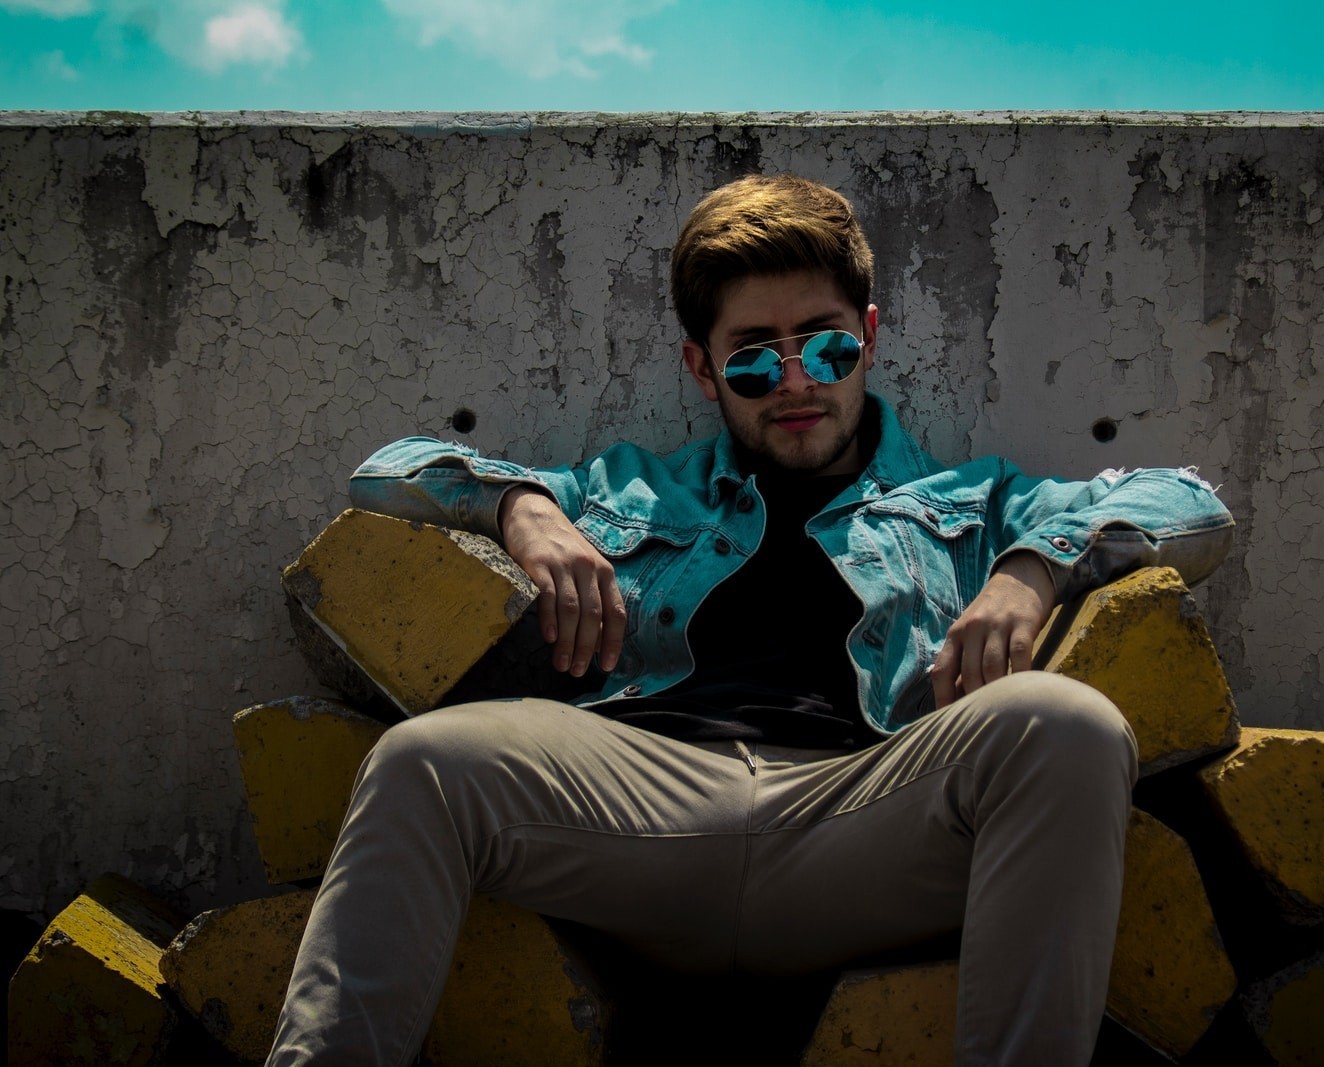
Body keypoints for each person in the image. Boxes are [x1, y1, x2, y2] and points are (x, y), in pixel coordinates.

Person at [267, 174, 1233, 1065]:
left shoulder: (970, 501)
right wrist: (523, 509)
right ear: (701, 367)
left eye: (827, 345)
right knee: (421, 760)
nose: (800, 383)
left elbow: (1190, 506)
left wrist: (1029, 569)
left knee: (1068, 726)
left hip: (862, 816)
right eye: (753, 363)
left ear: (871, 333)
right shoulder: (628, 490)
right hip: (637, 812)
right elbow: (387, 470)